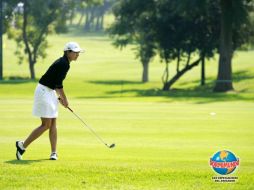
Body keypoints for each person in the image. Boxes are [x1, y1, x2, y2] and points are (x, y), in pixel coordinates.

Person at [15, 42, 84, 160]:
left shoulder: (65, 62)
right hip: (43, 91)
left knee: (53, 123)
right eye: (75, 52)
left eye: (78, 52)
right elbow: (58, 84)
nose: (77, 54)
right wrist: (65, 100)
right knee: (46, 124)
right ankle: (22, 145)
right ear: (68, 52)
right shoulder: (63, 64)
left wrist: (60, 97)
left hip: (50, 91)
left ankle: (53, 152)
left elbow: (55, 83)